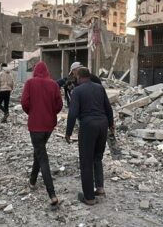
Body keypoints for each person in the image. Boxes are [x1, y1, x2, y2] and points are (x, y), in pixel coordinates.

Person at [65, 67, 114, 206]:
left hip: (88, 126)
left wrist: (68, 132)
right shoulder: (99, 88)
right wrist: (111, 125)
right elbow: (108, 107)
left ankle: (89, 197)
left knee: (86, 161)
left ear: (79, 77)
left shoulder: (77, 91)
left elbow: (73, 113)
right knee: (97, 158)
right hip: (102, 125)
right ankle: (100, 188)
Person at [21, 62, 63, 207]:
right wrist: (51, 113)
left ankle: (52, 194)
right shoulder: (54, 85)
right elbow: (59, 105)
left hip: (35, 125)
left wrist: (32, 113)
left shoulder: (30, 83)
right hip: (49, 125)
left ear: (35, 71)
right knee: (39, 152)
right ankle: (32, 181)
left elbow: (24, 102)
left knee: (42, 157)